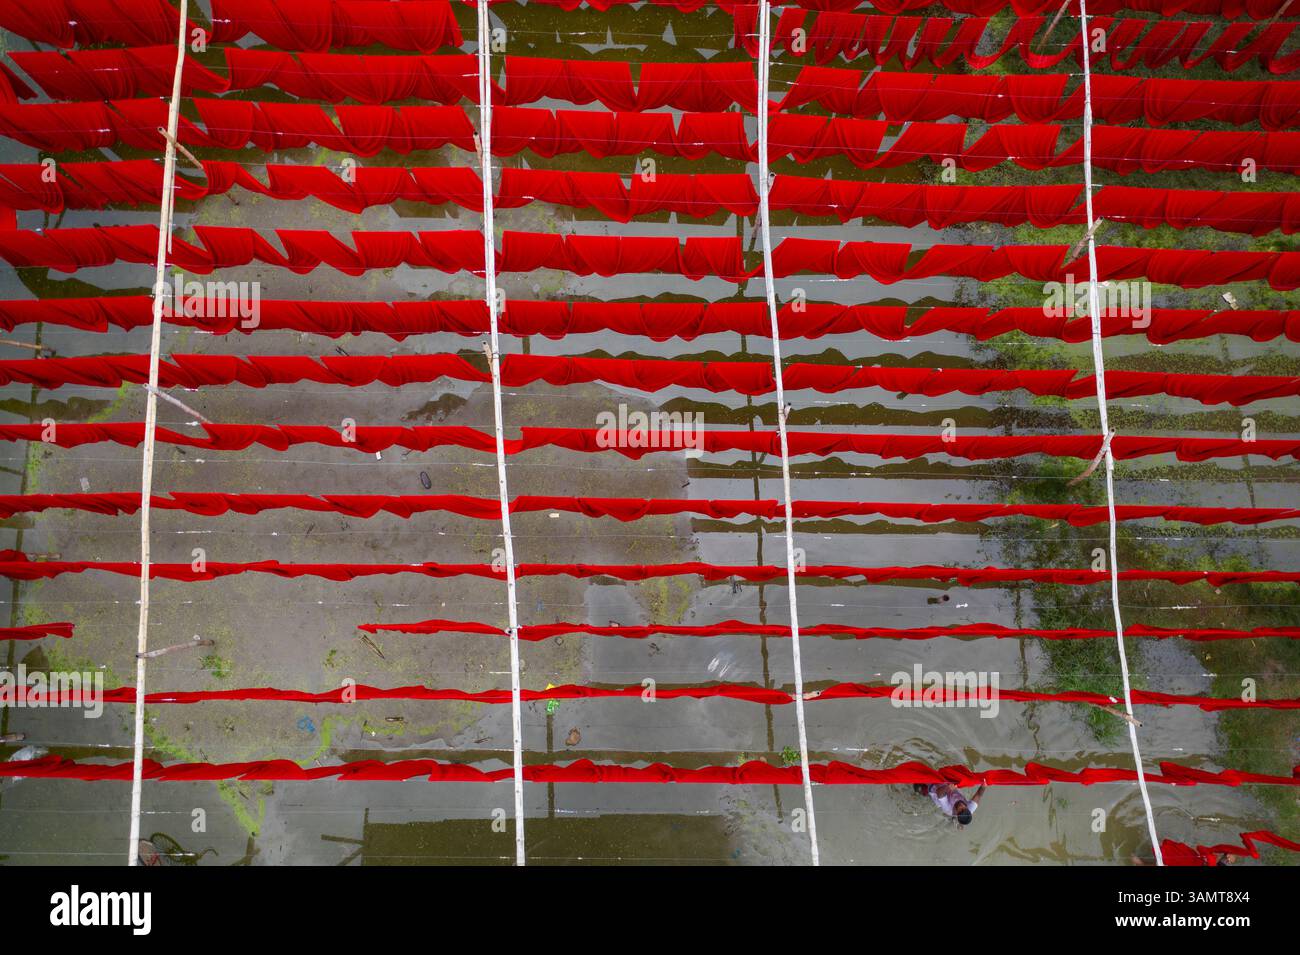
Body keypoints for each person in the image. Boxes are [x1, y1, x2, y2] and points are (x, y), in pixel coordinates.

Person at [913, 780, 987, 826]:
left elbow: (939, 793)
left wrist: (948, 788)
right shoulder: (970, 809)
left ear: (957, 813)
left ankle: (918, 793)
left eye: (960, 810)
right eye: (964, 808)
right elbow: (979, 795)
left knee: (918, 787)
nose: (962, 806)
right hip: (946, 785)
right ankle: (955, 820)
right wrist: (984, 785)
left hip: (934, 790)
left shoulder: (948, 808)